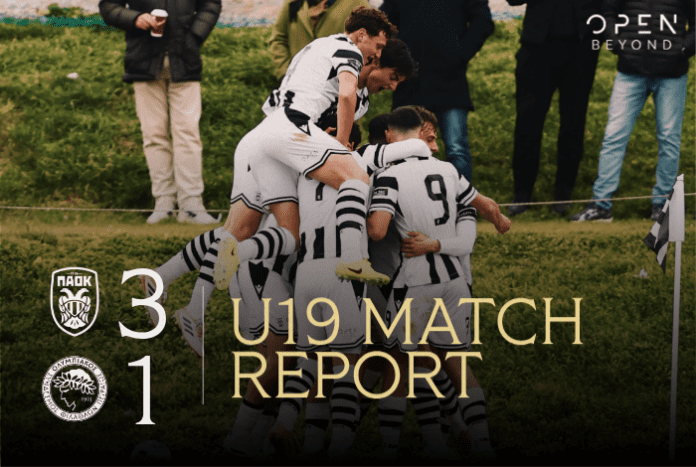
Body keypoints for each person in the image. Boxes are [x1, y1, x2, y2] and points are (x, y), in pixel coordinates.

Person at [212, 7, 402, 290]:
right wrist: (341, 143)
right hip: (292, 126)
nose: (378, 53)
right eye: (378, 45)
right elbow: (347, 94)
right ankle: (353, 258)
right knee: (357, 178)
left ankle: (232, 256)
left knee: (283, 234)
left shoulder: (315, 46)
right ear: (361, 35)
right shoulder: (348, 49)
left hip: (265, 132)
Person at [570, 0, 694, 222]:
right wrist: (618, 45)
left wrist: (682, 50)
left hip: (672, 74)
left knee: (669, 139)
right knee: (614, 136)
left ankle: (663, 206)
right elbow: (608, 13)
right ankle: (601, 206)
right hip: (630, 72)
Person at [98, 0, 221, 224]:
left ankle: (192, 205)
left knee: (188, 134)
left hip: (185, 61)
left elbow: (210, 4)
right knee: (153, 134)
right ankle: (164, 203)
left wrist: (194, 36)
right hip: (143, 61)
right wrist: (136, 19)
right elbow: (108, 6)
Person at [505, 0, 603, 216]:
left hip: (581, 47)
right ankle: (522, 193)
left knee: (573, 123)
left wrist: (598, 34)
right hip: (536, 46)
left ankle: (564, 194)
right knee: (527, 122)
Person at [380, 0, 494, 182]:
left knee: (456, 148)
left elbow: (483, 21)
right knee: (404, 148)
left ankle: (460, 199)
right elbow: (383, 21)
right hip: (410, 81)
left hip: (449, 80)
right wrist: (397, 56)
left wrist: (460, 53)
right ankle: (410, 197)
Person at [269, 0, 371, 80]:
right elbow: (279, 38)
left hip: (336, 90)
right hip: (296, 87)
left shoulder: (357, 4)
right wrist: (286, 74)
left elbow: (369, 48)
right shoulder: (293, 2)